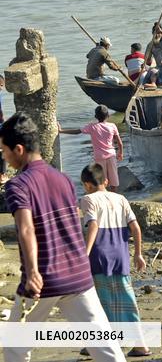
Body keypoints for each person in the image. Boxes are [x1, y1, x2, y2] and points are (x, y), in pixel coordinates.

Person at [1, 114, 127, 362]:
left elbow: (26, 229)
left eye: (4, 151)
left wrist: (33, 272)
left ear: (19, 149)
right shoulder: (64, 179)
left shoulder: (17, 186)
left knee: (15, 348)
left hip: (44, 279)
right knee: (105, 347)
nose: (4, 157)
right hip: (78, 274)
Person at [79, 163, 151, 357]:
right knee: (126, 300)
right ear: (106, 180)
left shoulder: (87, 199)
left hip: (99, 256)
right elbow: (135, 228)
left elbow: (93, 225)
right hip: (120, 255)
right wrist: (138, 253)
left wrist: (84, 254)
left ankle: (98, 343)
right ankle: (140, 344)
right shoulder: (121, 198)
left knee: (99, 302)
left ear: (86, 185)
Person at [59, 105, 124, 191]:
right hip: (111, 155)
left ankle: (102, 195)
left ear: (96, 116)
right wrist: (120, 153)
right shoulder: (112, 126)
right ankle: (113, 195)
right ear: (108, 115)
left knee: (101, 181)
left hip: (99, 157)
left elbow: (77, 131)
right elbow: (120, 143)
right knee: (114, 180)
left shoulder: (92, 126)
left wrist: (61, 131)